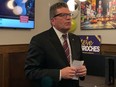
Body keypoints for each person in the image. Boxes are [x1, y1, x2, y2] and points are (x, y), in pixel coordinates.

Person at [24, 2, 87, 87]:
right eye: (63, 15)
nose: (68, 18)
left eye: (69, 14)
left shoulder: (76, 39)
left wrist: (82, 71)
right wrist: (59, 73)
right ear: (53, 21)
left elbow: (80, 63)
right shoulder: (39, 40)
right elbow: (31, 72)